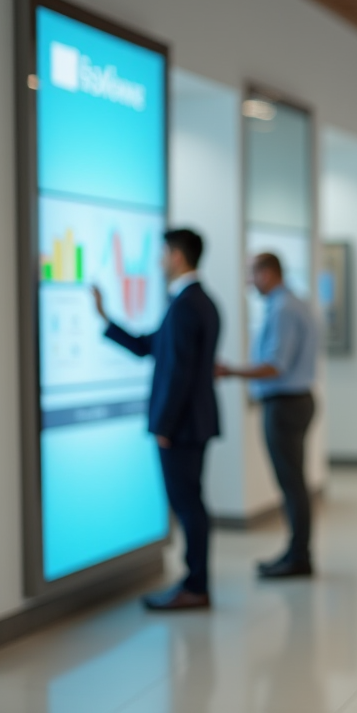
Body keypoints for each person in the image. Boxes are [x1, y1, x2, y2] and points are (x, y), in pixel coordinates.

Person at [93, 228, 221, 611]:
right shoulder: (197, 301)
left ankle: (195, 586)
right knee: (191, 503)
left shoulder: (186, 304)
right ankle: (194, 582)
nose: (159, 260)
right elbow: (151, 347)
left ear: (178, 256)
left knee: (188, 506)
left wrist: (163, 426)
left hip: (180, 427)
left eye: (163, 253)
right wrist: (104, 317)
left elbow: (178, 372)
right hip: (192, 422)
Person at [216, 253, 320, 578]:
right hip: (294, 401)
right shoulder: (292, 303)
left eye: (252, 275)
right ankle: (296, 552)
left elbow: (276, 365)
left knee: (291, 484)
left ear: (267, 273)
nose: (249, 282)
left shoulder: (284, 309)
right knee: (293, 482)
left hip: (285, 404)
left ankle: (298, 556)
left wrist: (231, 371)